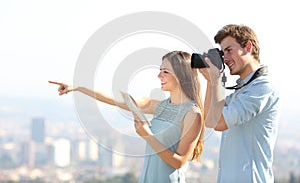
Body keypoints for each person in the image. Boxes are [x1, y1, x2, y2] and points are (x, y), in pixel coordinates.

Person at [49, 51, 205, 183]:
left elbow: (179, 162)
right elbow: (115, 100)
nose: (159, 75)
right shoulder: (159, 105)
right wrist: (79, 87)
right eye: (160, 70)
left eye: (165, 71)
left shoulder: (192, 114)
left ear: (181, 75)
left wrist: (147, 136)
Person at [199, 24, 280, 183]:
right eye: (223, 54)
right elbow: (210, 120)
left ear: (248, 47)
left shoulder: (262, 88)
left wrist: (216, 81)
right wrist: (210, 81)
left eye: (229, 50)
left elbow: (220, 123)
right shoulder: (241, 91)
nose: (226, 58)